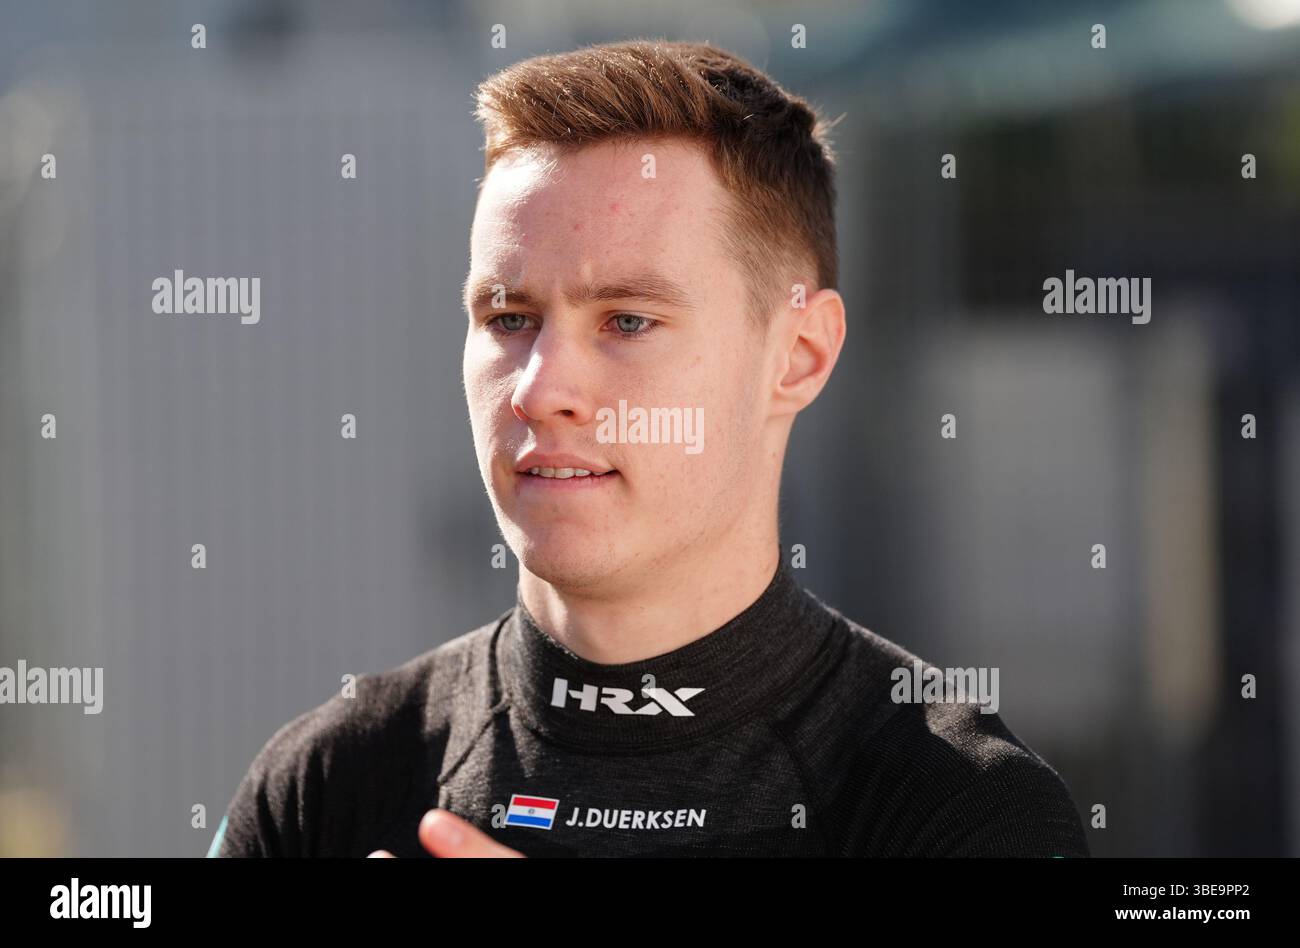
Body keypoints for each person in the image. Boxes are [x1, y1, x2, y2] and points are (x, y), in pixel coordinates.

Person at [210, 38, 1088, 858]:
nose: (540, 389)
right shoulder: (325, 786)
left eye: (628, 320)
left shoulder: (962, 810)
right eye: (509, 319)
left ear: (799, 356)